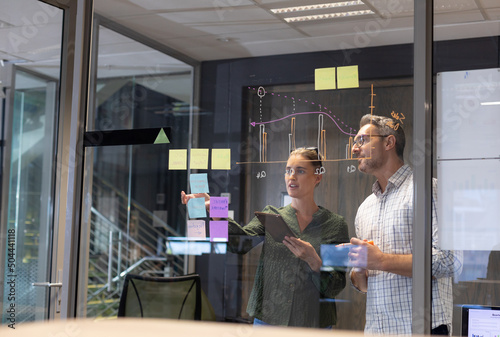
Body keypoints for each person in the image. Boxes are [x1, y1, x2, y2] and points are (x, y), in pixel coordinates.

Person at [181, 147, 348, 328]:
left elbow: (335, 286)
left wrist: (314, 260)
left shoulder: (335, 225)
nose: (292, 176)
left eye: (300, 171)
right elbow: (237, 245)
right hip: (268, 320)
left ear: (317, 177)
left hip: (314, 323)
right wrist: (215, 208)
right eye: (288, 171)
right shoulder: (270, 214)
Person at [348, 114, 463, 335]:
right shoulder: (365, 208)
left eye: (362, 140)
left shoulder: (428, 190)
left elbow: (451, 261)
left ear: (389, 142)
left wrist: (380, 260)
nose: (355, 149)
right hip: (377, 330)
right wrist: (359, 269)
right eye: (355, 142)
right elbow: (363, 287)